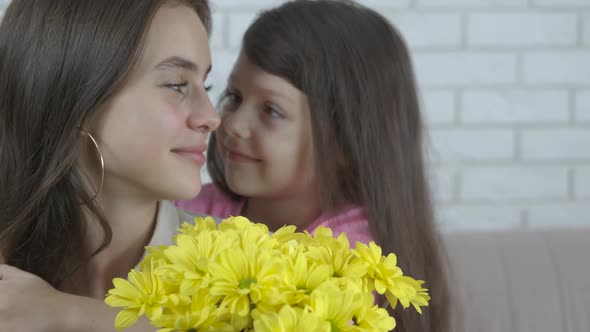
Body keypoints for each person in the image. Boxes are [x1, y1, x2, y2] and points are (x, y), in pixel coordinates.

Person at [175, 1, 453, 331]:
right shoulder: (191, 208)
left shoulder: (351, 259)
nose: (233, 123)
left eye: (271, 111)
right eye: (234, 96)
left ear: (344, 144)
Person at [0, 0, 218, 331]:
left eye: (207, 86)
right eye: (177, 85)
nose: (211, 118)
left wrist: (67, 314)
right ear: (74, 94)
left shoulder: (259, 268)